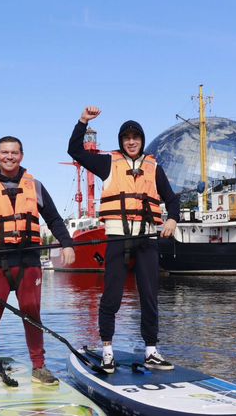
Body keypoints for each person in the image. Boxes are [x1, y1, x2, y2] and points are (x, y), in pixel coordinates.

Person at [0, 136, 75, 389]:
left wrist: (66, 243)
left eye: (14, 152)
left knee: (32, 312)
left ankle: (39, 367)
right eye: (4, 152)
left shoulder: (35, 186)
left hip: (28, 259)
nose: (9, 157)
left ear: (22, 155)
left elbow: (53, 218)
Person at [68, 106, 180, 373]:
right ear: (121, 141)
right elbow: (75, 150)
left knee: (150, 296)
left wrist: (173, 219)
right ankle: (107, 350)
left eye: (136, 137)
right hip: (118, 239)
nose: (131, 141)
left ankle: (151, 351)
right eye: (127, 137)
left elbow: (172, 199)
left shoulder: (154, 168)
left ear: (142, 140)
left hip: (146, 240)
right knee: (112, 297)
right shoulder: (108, 163)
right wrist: (83, 122)